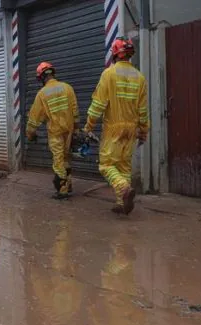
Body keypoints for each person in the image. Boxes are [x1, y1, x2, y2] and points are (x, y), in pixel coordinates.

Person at [84, 36, 148, 215]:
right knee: (124, 165)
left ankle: (123, 188)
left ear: (115, 53)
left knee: (106, 164)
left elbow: (98, 104)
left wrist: (88, 126)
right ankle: (121, 203)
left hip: (114, 129)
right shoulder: (140, 78)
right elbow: (143, 109)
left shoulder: (109, 74)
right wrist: (143, 131)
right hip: (131, 129)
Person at [26, 62, 79, 199]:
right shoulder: (68, 88)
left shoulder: (42, 94)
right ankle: (68, 184)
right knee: (66, 158)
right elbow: (75, 110)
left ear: (42, 78)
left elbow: (34, 118)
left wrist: (30, 134)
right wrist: (77, 128)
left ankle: (62, 189)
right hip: (69, 129)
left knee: (58, 160)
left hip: (55, 132)